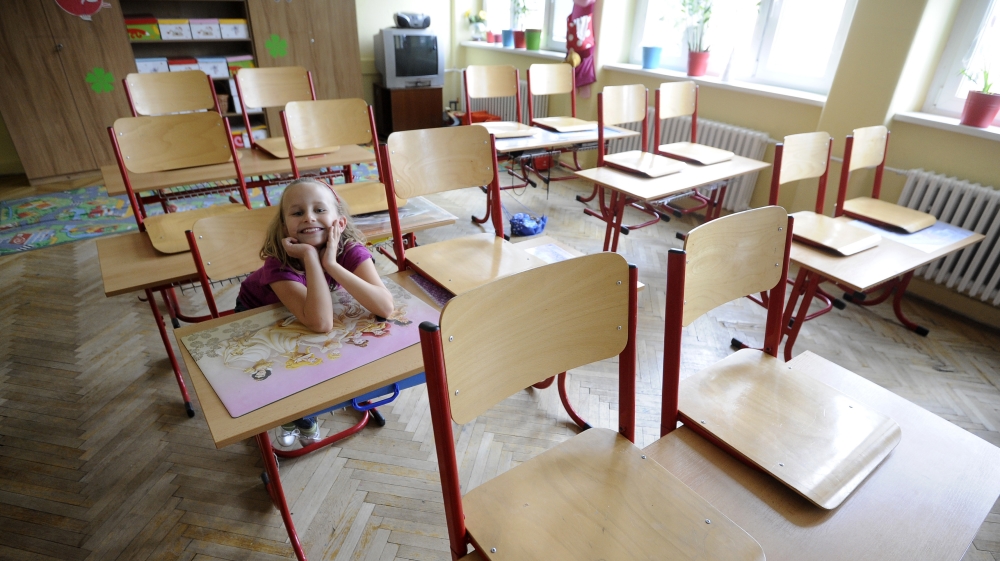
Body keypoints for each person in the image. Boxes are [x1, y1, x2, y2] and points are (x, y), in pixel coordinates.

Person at [236, 178, 394, 446]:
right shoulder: (279, 263)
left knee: (324, 350)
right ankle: (296, 416)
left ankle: (306, 407)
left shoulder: (348, 249)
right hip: (258, 317)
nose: (309, 217)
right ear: (285, 226)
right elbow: (320, 323)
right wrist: (310, 256)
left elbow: (385, 306)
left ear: (339, 222)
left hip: (302, 315)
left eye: (320, 210)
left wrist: (330, 263)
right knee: (285, 368)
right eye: (297, 213)